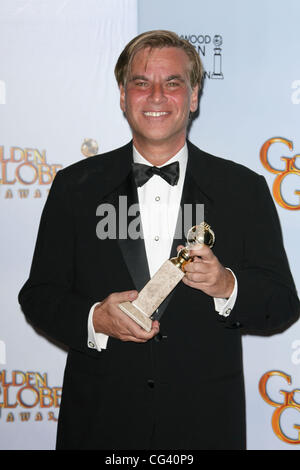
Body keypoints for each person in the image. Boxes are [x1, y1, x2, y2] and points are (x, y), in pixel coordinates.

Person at [19, 30, 299, 450]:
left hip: (205, 426)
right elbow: (38, 296)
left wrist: (228, 286)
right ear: (122, 95)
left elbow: (282, 304)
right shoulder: (74, 187)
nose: (156, 96)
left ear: (194, 96)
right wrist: (96, 318)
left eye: (172, 83)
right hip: (99, 424)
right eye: (140, 82)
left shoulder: (243, 189)